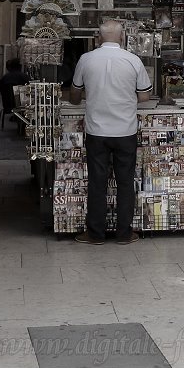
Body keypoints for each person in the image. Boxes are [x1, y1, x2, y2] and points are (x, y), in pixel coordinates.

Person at [70, 20, 152, 245]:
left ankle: (95, 234)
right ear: (122, 37)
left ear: (98, 37)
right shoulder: (133, 60)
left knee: (97, 182)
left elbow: (75, 95)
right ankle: (124, 234)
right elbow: (144, 96)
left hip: (97, 131)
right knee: (125, 183)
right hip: (125, 130)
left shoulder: (86, 60)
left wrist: (92, 95)